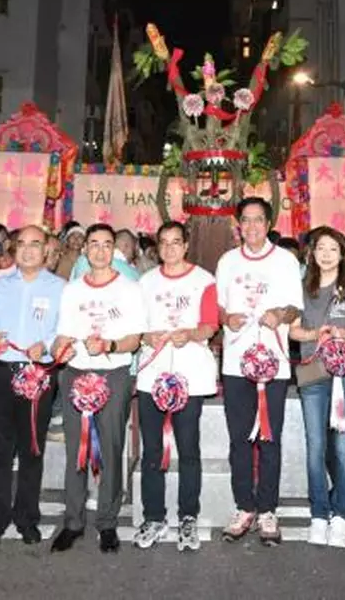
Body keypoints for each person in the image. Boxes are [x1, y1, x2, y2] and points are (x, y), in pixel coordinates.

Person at [50, 223, 146, 554]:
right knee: (76, 450)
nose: (100, 250)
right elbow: (62, 335)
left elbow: (135, 340)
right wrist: (57, 350)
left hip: (114, 375)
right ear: (85, 250)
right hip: (76, 374)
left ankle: (107, 522)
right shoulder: (72, 290)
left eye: (107, 245)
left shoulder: (130, 289)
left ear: (114, 251)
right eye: (94, 244)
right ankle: (73, 522)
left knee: (110, 448)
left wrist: (109, 344)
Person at [216, 197, 303, 546]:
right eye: (246, 221)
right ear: (239, 225)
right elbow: (218, 307)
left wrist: (280, 314)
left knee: (269, 439)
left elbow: (295, 308)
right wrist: (226, 319)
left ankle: (268, 508)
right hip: (237, 362)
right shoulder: (227, 261)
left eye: (258, 220)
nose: (251, 227)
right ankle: (244, 506)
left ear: (268, 223)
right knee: (239, 439)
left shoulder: (285, 260)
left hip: (273, 364)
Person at [133, 221, 218, 551]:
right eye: (163, 243)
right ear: (157, 247)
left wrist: (193, 334)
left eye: (176, 242)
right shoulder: (145, 282)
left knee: (188, 450)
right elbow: (134, 326)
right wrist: (145, 336)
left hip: (190, 377)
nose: (170, 249)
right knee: (152, 450)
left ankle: (188, 517)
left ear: (186, 246)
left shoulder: (204, 280)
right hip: (152, 375)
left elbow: (210, 325)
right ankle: (154, 516)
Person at [0, 225, 64, 548]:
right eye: (22, 244)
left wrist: (46, 344)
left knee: (32, 448)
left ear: (46, 251)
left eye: (36, 244)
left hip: (37, 375)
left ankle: (27, 517)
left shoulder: (60, 287)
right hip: (0, 372)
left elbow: (65, 329)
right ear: (13, 250)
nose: (28, 250)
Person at [288, 227, 345, 548]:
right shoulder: (301, 288)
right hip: (311, 373)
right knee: (315, 447)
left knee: (343, 448)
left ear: (342, 253)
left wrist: (343, 335)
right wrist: (315, 334)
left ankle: (342, 515)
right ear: (312, 252)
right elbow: (294, 332)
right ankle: (319, 512)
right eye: (320, 248)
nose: (326, 254)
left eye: (333, 249)